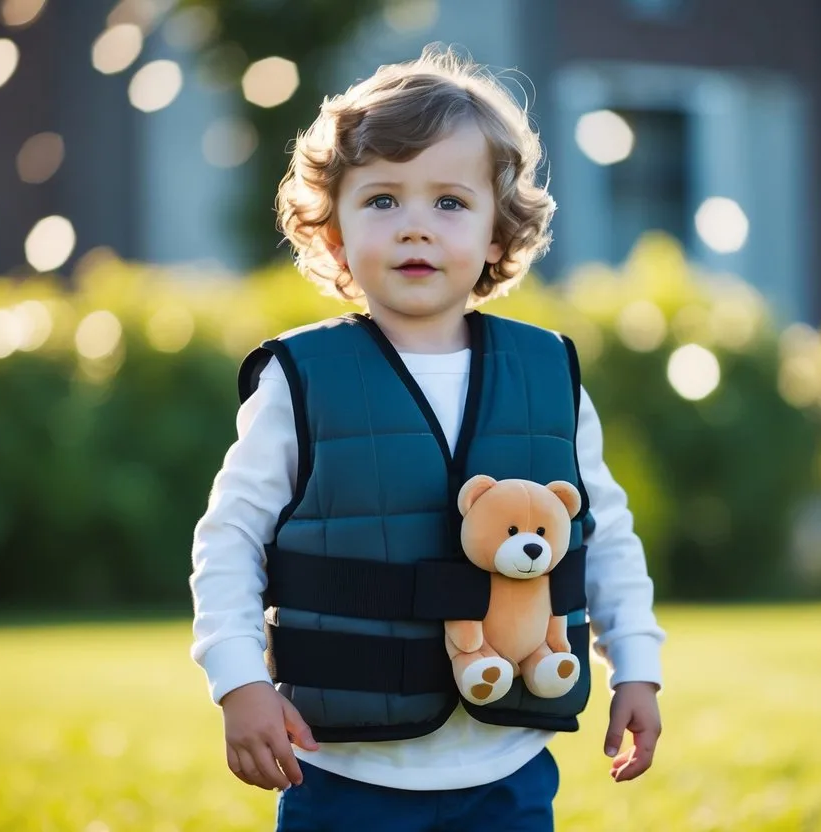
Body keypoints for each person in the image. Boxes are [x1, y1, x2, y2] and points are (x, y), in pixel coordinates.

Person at [189, 45, 666, 832]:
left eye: (448, 202)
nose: (414, 226)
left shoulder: (547, 373)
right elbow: (229, 540)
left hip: (505, 771)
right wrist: (239, 683)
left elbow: (603, 535)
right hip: (341, 770)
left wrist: (637, 670)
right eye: (381, 201)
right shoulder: (298, 380)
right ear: (335, 235)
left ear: (494, 234)